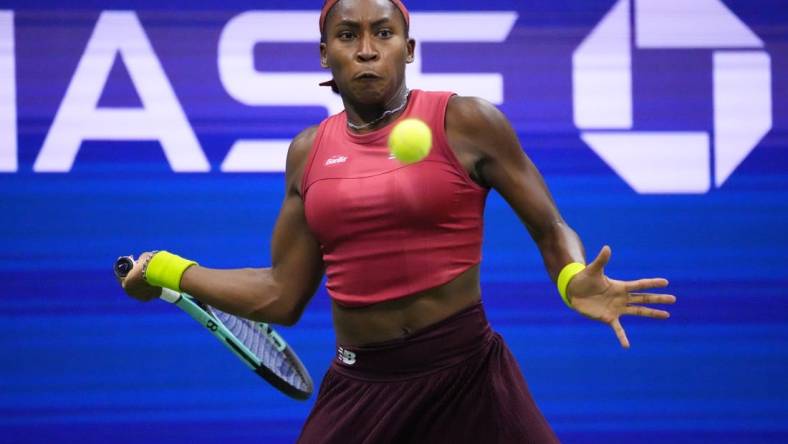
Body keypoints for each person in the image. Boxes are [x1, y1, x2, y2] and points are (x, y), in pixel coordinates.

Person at [119, 0, 677, 442]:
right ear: (324, 54)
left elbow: (550, 226)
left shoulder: (468, 122)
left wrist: (572, 278)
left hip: (471, 378)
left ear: (407, 48)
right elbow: (280, 296)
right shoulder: (308, 154)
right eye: (347, 36)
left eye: (382, 34)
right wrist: (166, 270)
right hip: (362, 387)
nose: (366, 50)